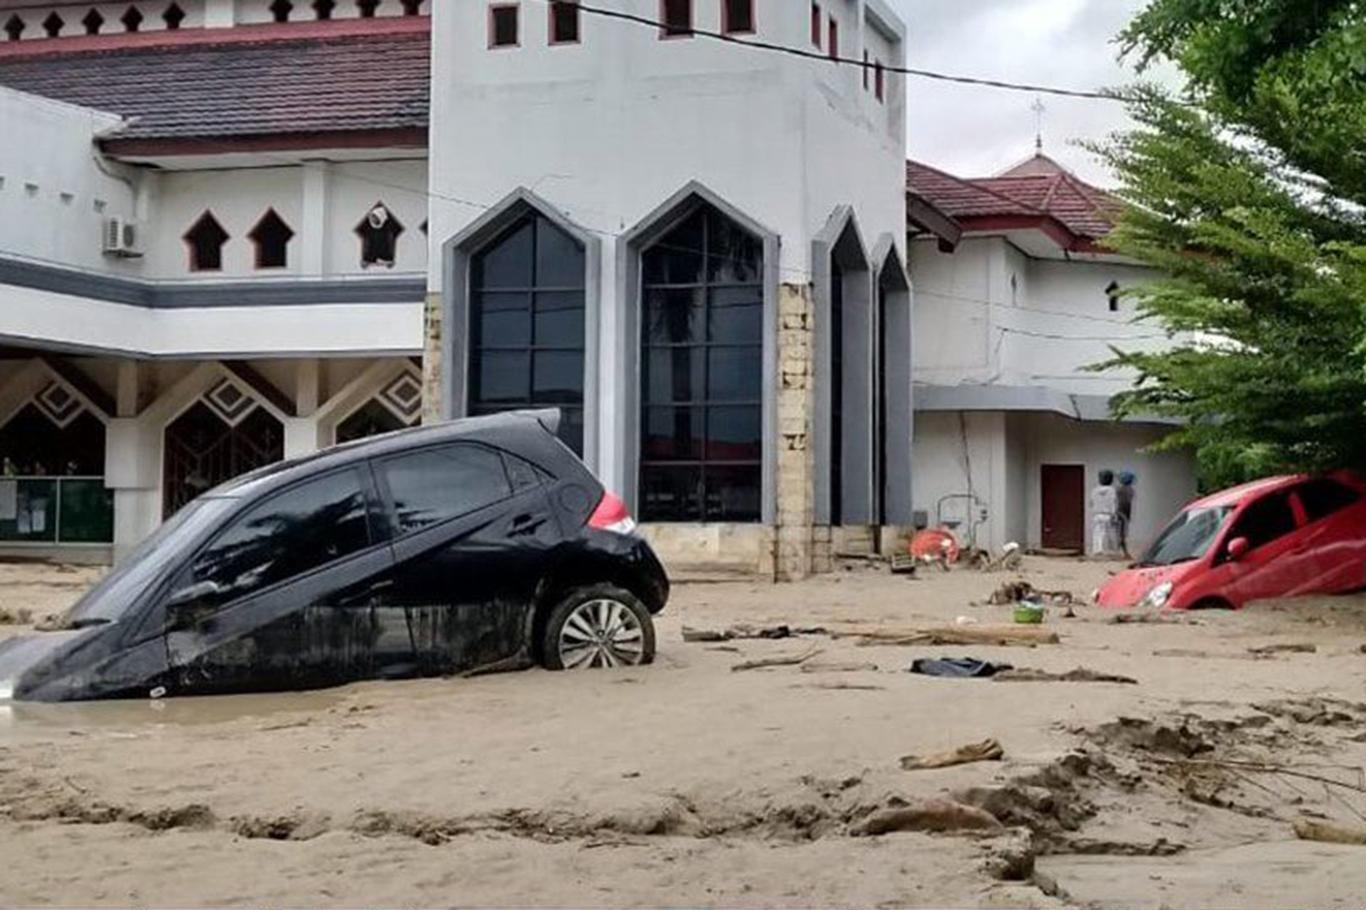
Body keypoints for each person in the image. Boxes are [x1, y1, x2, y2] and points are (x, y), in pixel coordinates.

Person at [1090, 470, 1120, 556]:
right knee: (1110, 534)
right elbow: (1114, 503)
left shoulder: (1094, 490)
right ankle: (1110, 551)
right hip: (1108, 515)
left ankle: (1097, 550)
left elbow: (1091, 503)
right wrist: (1114, 514)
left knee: (1097, 533)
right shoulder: (1112, 490)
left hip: (1097, 514)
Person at [1116, 471, 1136, 557]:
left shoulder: (1119, 490)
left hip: (1120, 513)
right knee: (1122, 534)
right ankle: (1124, 552)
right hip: (1124, 513)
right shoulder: (1130, 490)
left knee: (1120, 534)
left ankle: (1122, 552)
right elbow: (1127, 503)